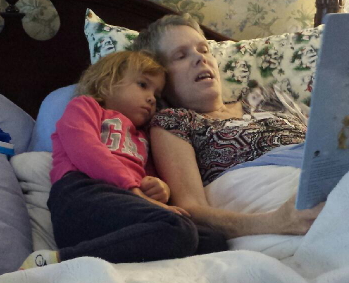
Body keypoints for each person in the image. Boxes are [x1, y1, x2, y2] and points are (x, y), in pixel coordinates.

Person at [20, 50, 227, 269]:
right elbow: (86, 150)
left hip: (124, 212)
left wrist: (159, 189)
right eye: (143, 85)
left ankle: (108, 256)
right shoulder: (85, 106)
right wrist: (132, 189)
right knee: (178, 227)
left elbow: (149, 175)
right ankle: (55, 262)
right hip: (81, 197)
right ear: (107, 82)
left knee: (213, 240)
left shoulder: (144, 137)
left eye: (156, 96)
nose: (151, 99)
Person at [132, 14, 324, 239]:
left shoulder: (266, 96)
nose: (200, 58)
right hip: (278, 212)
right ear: (161, 77)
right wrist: (277, 222)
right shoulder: (174, 121)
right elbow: (191, 210)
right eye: (181, 56)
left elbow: (329, 138)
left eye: (204, 50)